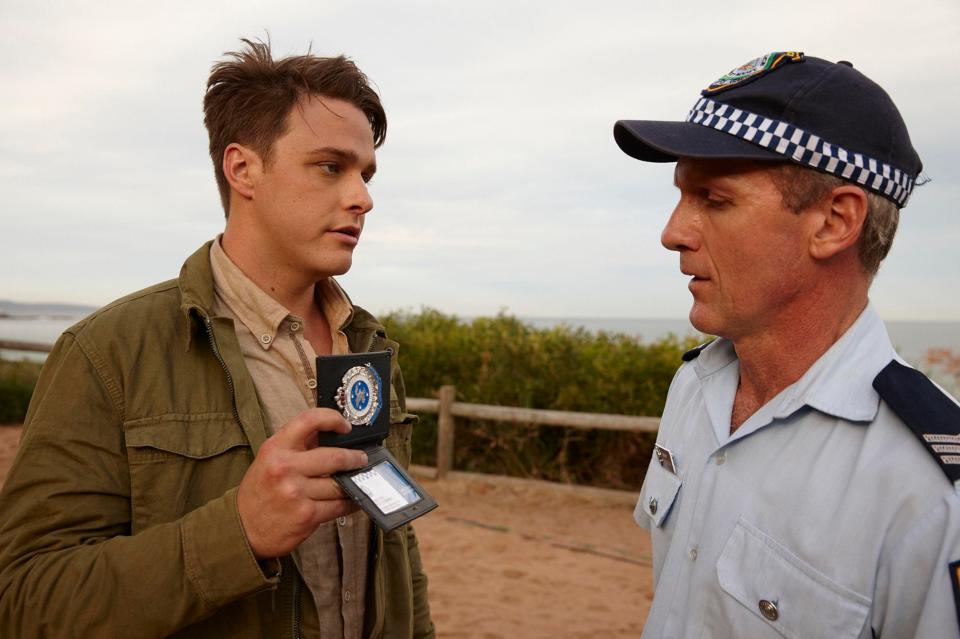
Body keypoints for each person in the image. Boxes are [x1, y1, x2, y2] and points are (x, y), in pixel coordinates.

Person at [0, 39, 434, 638]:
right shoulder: (107, 354)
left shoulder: (369, 349)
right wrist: (239, 532)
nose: (363, 197)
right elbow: (25, 600)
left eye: (365, 173)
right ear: (242, 169)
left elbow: (399, 557)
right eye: (331, 167)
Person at [613, 52, 960, 637]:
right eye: (680, 196)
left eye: (714, 200)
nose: (672, 232)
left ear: (833, 221)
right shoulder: (695, 387)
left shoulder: (927, 491)